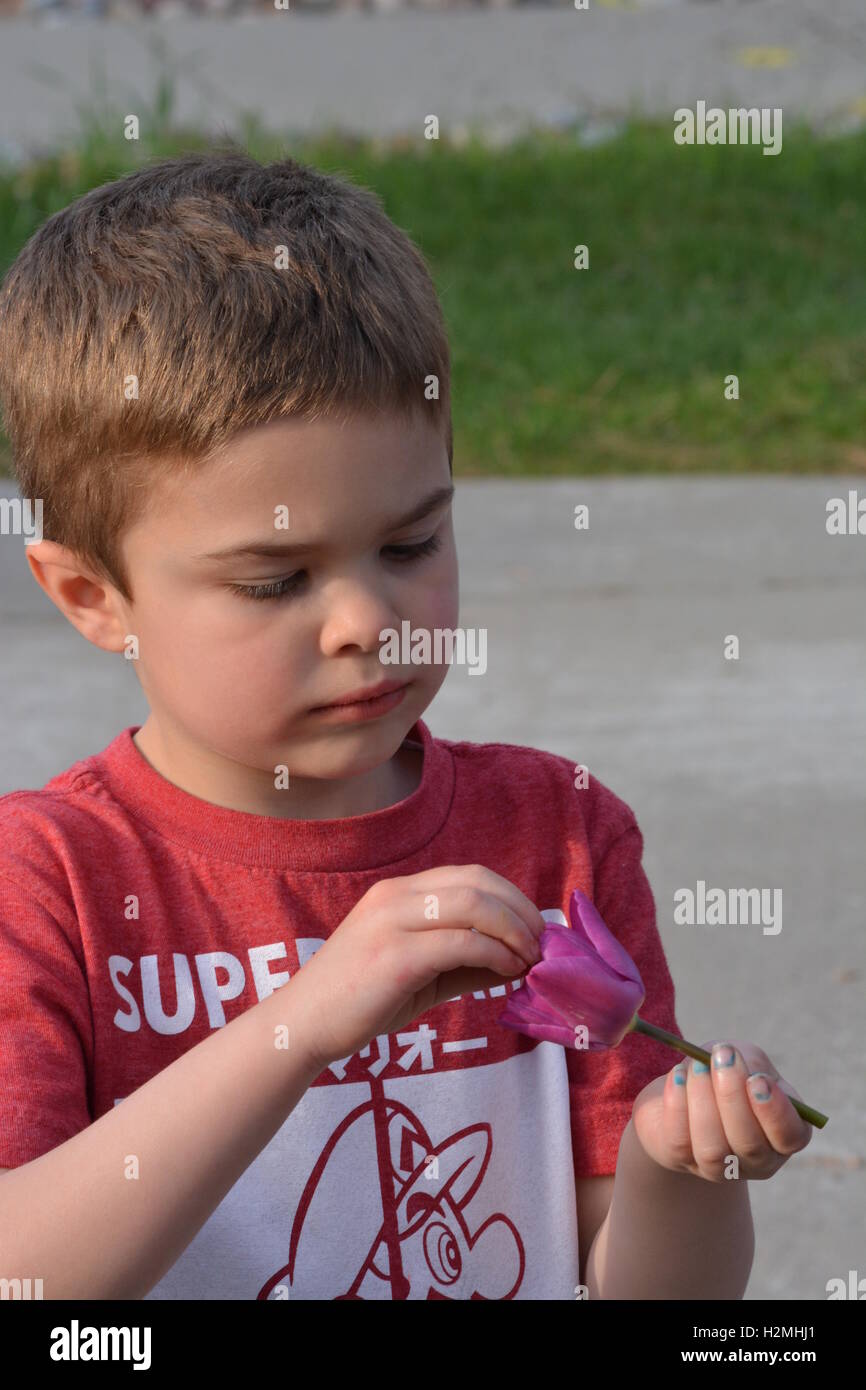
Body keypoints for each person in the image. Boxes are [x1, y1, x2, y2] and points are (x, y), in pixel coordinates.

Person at [0, 150, 810, 1300]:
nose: (365, 621)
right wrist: (307, 1021)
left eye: (410, 544)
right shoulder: (51, 879)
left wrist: (675, 1163)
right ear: (93, 597)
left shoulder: (554, 830)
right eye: (276, 580)